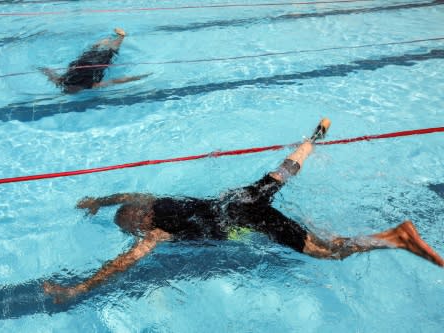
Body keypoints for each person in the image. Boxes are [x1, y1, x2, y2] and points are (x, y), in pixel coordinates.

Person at [44, 119, 443, 303]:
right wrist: (99, 201)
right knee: (282, 173)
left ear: (141, 226)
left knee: (328, 251)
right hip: (240, 198)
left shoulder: (156, 235)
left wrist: (80, 288)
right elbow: (125, 194)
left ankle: (395, 238)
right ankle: (313, 138)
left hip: (248, 219)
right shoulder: (151, 199)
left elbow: (119, 266)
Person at [40, 28, 147, 94]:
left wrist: (135, 78)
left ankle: (121, 37)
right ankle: (108, 39)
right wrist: (42, 69)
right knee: (93, 49)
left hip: (97, 63)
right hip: (83, 61)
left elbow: (116, 81)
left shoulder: (90, 86)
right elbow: (50, 73)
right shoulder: (62, 81)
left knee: (112, 50)